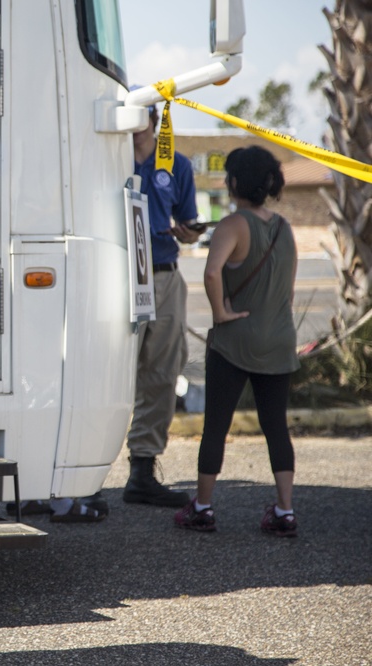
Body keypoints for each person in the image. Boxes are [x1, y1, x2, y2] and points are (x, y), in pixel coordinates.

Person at [174, 145, 299, 537]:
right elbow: (288, 290)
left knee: (216, 425)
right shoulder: (284, 228)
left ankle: (203, 506)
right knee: (276, 426)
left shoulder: (232, 225)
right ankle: (284, 510)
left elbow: (212, 274)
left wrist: (221, 313)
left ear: (233, 183)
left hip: (235, 341)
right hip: (279, 339)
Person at [122, 96, 202, 507]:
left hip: (164, 274)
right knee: (112, 370)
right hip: (118, 276)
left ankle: (142, 469)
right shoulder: (110, 158)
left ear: (154, 121)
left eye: (142, 117)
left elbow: (188, 223)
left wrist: (189, 234)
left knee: (162, 371)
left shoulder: (178, 165)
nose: (136, 125)